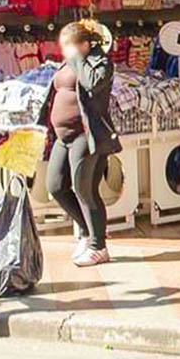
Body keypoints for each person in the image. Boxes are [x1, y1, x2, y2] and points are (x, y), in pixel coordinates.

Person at [38, 20, 119, 267]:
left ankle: (98, 246)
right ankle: (87, 231)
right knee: (55, 186)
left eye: (69, 45)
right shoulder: (69, 62)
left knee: (85, 190)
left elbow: (92, 83)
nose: (65, 51)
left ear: (85, 44)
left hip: (87, 136)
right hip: (63, 137)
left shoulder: (100, 62)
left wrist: (77, 59)